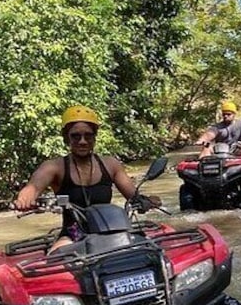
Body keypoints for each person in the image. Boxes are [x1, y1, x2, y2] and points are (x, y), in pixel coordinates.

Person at [13, 105, 145, 252]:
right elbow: (34, 186)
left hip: (111, 230)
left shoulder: (110, 164)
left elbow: (133, 196)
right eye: (75, 136)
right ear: (66, 138)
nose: (82, 141)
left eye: (88, 135)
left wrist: (147, 201)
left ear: (94, 137)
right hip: (73, 233)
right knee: (55, 258)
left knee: (146, 253)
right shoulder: (55, 167)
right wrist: (25, 198)